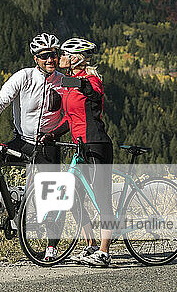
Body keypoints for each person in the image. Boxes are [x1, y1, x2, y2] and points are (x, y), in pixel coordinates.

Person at [0, 32, 65, 260]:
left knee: (52, 197)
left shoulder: (63, 81)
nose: (50, 60)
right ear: (35, 57)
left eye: (54, 55)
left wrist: (57, 133)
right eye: (45, 55)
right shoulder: (24, 77)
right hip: (22, 140)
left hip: (48, 143)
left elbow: (74, 113)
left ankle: (51, 247)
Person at [42, 37, 115, 267]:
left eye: (63, 54)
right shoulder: (69, 83)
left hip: (96, 144)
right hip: (79, 146)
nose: (59, 58)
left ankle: (104, 251)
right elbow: (69, 118)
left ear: (75, 58)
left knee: (102, 198)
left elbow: (94, 94)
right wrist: (52, 134)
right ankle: (91, 245)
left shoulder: (91, 80)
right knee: (73, 198)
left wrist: (77, 84)